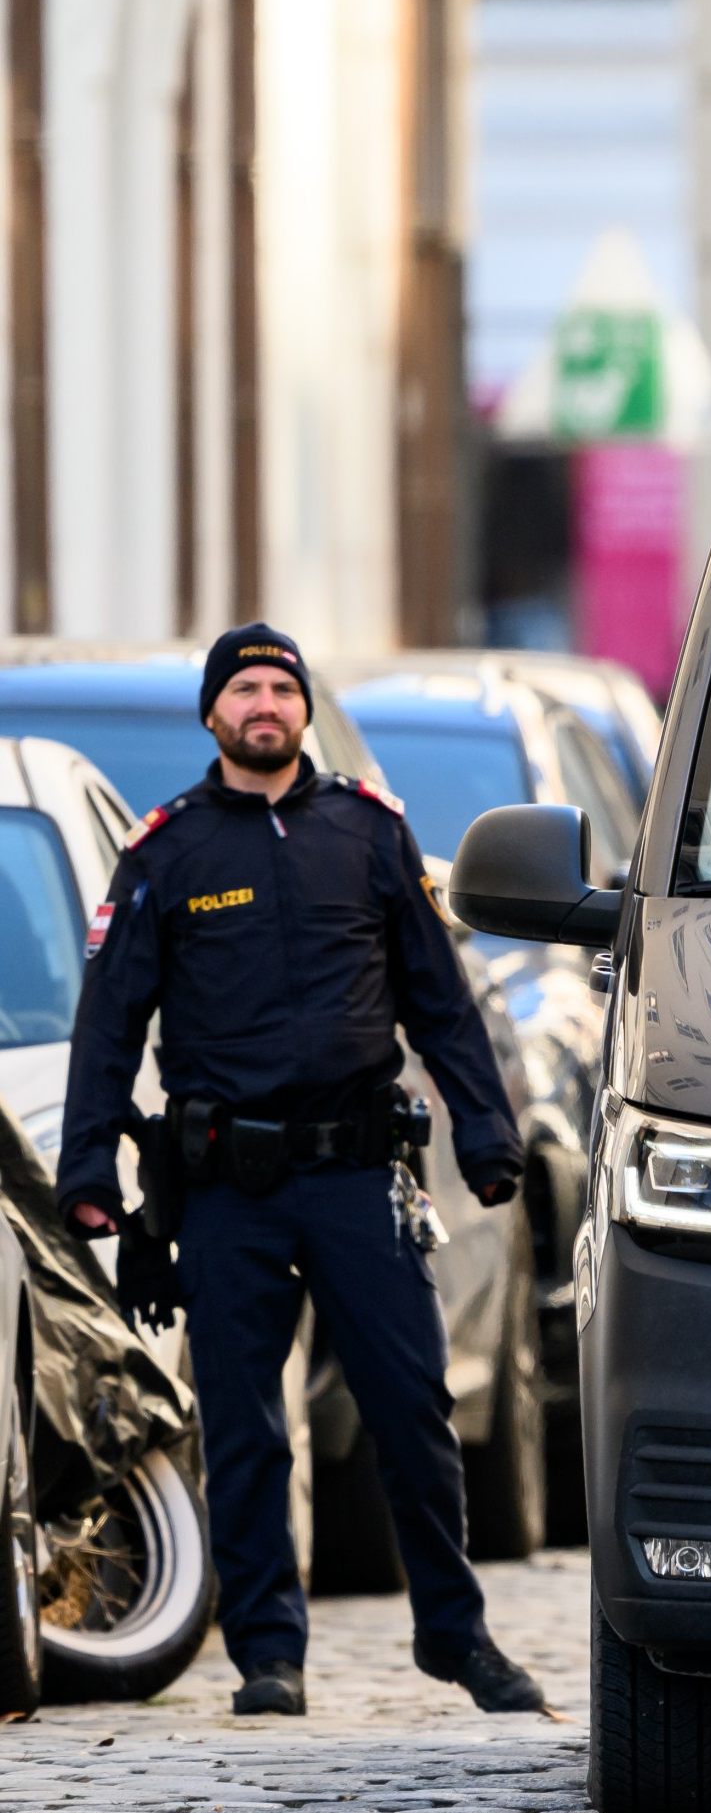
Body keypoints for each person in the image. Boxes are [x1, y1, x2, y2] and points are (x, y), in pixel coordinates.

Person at [56, 623, 545, 1720]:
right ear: (213, 715)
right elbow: (108, 1022)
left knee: (411, 1406)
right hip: (227, 1187)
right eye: (245, 690)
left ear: (304, 709)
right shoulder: (168, 852)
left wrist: (486, 1134)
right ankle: (268, 1653)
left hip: (356, 1175)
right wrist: (87, 1168)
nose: (265, 705)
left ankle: (455, 1633)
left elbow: (441, 1001)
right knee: (245, 1428)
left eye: (282, 688)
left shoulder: (367, 833)